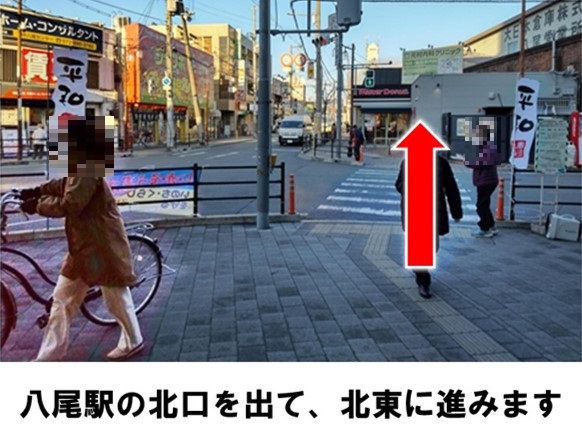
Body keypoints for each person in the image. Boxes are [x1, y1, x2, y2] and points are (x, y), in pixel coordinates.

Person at [19, 116, 144, 361]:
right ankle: (47, 357)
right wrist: (37, 191)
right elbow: (64, 185)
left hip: (100, 244)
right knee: (63, 299)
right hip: (84, 245)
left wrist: (37, 205)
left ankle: (133, 340)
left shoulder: (87, 168)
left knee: (115, 298)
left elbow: (71, 203)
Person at [395, 155, 463, 298]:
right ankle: (423, 281)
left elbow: (451, 187)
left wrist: (456, 211)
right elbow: (399, 184)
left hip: (434, 211)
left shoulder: (441, 163)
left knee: (433, 247)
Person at [465, 124, 499, 238]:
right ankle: (491, 226)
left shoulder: (489, 147)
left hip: (486, 180)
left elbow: (481, 162)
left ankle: (485, 228)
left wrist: (468, 161)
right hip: (485, 180)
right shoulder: (485, 146)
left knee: (481, 206)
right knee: (484, 204)